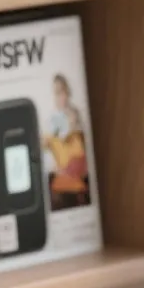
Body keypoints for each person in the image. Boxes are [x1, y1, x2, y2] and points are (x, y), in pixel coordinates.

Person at [43, 74, 91, 207]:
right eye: (56, 94)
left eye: (61, 92)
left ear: (67, 92)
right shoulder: (51, 120)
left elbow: (83, 146)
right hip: (62, 172)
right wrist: (55, 167)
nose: (59, 98)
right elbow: (47, 150)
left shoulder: (76, 114)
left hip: (77, 170)